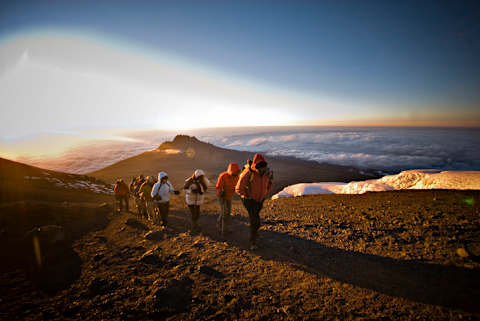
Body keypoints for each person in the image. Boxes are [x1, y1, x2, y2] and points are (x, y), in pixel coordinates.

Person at [235, 154, 273, 250]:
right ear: (255, 165)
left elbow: (268, 185)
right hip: (249, 200)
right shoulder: (248, 173)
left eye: (263, 165)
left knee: (256, 219)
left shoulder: (267, 173)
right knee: (254, 220)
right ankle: (253, 242)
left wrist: (264, 194)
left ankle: (255, 234)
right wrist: (247, 196)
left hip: (259, 200)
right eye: (259, 166)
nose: (261, 168)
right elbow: (238, 188)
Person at [216, 162, 241, 235]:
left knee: (228, 213)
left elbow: (237, 187)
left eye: (237, 172)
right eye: (235, 172)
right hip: (222, 197)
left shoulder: (237, 177)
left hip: (229, 197)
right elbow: (218, 187)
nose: (236, 173)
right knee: (224, 213)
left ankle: (220, 224)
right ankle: (223, 231)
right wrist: (220, 192)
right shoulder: (223, 176)